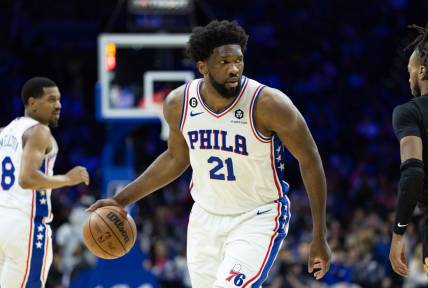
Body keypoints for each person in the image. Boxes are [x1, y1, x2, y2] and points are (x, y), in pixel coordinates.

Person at [88, 20, 331, 287]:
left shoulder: (269, 104)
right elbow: (175, 159)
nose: (234, 69)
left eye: (238, 60)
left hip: (258, 217)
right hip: (205, 218)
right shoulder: (178, 103)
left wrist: (319, 234)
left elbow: (310, 160)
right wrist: (121, 200)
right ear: (202, 66)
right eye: (224, 62)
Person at [0, 77, 89, 287]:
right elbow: (27, 178)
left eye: (59, 100)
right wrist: (67, 179)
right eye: (51, 100)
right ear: (32, 103)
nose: (58, 105)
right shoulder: (39, 130)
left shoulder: (6, 130)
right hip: (25, 225)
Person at [389, 21, 428, 277]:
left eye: (410, 71)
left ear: (422, 71)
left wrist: (398, 232)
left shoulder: (409, 111)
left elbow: (413, 173)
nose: (409, 77)